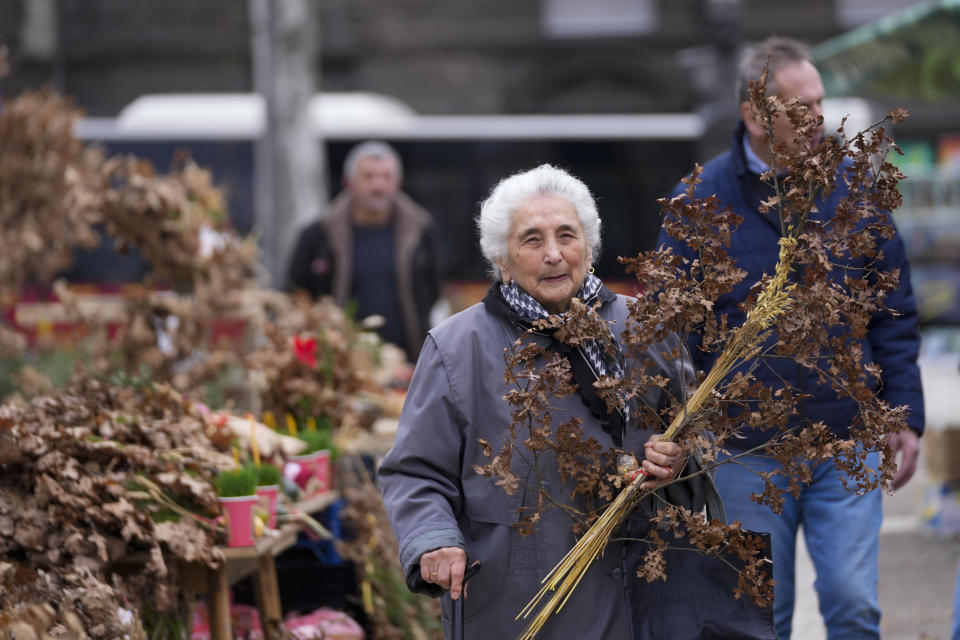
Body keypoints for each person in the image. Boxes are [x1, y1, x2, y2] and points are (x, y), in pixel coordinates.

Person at [379, 164, 772, 640]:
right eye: (531, 240)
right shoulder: (457, 347)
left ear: (588, 246)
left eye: (566, 235)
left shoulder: (644, 327)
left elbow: (696, 430)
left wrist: (680, 457)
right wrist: (434, 541)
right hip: (519, 600)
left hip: (642, 599)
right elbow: (415, 472)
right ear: (502, 259)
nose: (552, 254)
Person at [656, 36, 925, 639]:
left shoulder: (856, 191)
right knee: (758, 619)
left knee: (854, 605)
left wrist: (904, 416)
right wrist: (682, 428)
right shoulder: (699, 201)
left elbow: (894, 313)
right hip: (744, 453)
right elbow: (668, 332)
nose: (820, 120)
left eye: (821, 102)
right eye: (801, 108)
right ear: (754, 115)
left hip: (844, 440)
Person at [287, 140, 442, 359]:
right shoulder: (318, 236)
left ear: (398, 182)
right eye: (368, 176)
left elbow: (434, 289)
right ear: (348, 182)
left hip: (409, 362)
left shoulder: (422, 230)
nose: (378, 185)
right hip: (340, 365)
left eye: (386, 177)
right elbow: (297, 295)